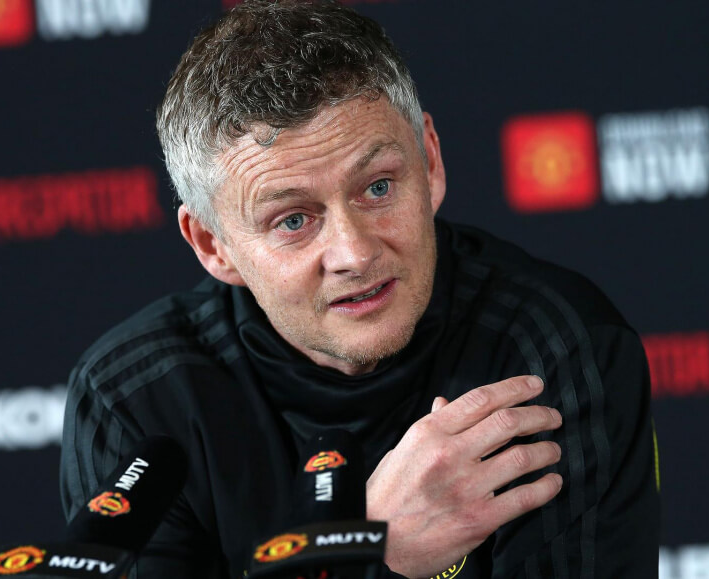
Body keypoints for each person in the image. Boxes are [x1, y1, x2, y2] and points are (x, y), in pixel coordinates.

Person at [59, 1, 660, 577]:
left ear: (430, 162)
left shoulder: (556, 349)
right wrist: (368, 551)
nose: (355, 253)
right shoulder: (135, 398)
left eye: (377, 188)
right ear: (213, 245)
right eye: (293, 220)